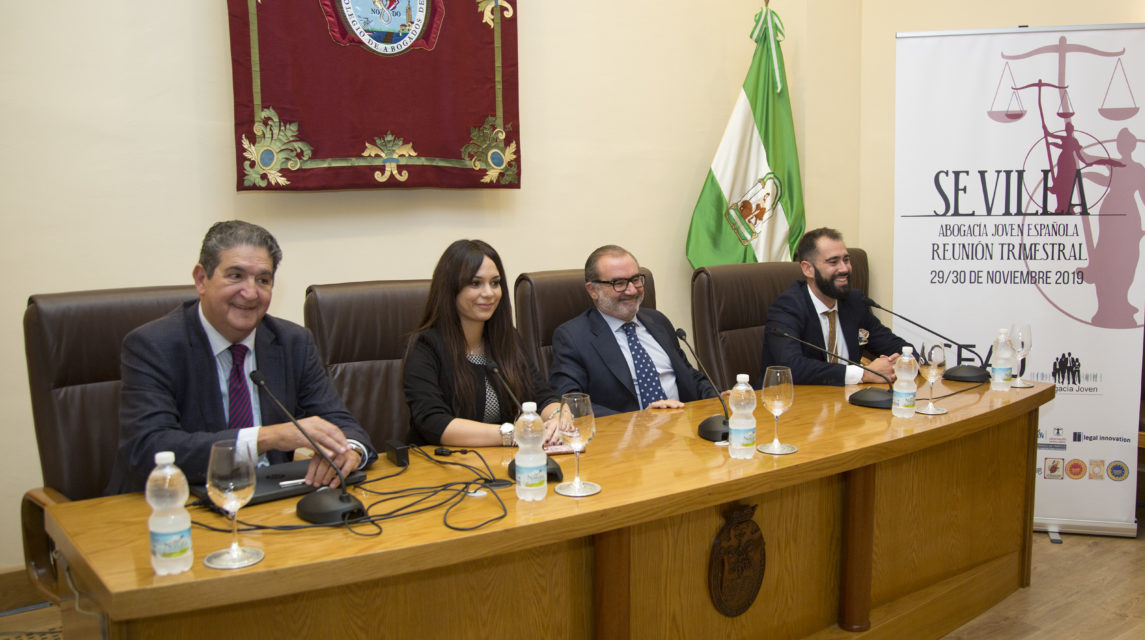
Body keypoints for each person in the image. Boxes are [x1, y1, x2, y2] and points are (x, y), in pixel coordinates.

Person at [107, 221, 375, 495]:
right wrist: (268, 437)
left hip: (270, 500)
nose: (250, 293)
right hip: (176, 505)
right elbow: (149, 448)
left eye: (263, 280)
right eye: (235, 276)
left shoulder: (292, 342)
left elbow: (344, 426)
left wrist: (349, 451)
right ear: (201, 279)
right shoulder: (153, 345)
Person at [403, 239, 561, 446]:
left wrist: (557, 416)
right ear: (450, 289)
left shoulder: (507, 338)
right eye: (475, 283)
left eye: (495, 283)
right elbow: (433, 422)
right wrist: (514, 434)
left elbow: (542, 396)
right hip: (444, 465)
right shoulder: (425, 346)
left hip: (505, 460)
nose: (489, 293)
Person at [550, 245, 717, 417]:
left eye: (636, 280)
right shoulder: (572, 337)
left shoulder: (658, 321)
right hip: (625, 438)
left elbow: (690, 377)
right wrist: (638, 420)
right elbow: (571, 405)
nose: (632, 290)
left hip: (684, 428)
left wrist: (719, 399)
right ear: (593, 290)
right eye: (619, 283)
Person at [762, 227, 911, 386]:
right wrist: (864, 373)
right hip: (795, 402)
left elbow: (897, 347)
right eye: (833, 262)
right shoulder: (787, 307)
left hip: (847, 401)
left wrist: (900, 362)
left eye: (846, 260)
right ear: (808, 269)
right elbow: (791, 368)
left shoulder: (854, 301)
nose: (844, 268)